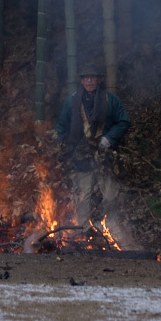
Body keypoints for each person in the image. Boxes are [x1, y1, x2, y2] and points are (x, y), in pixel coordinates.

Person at [56, 65, 130, 228]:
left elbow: (123, 121)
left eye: (93, 77)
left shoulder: (111, 100)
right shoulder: (71, 101)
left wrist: (109, 138)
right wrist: (65, 146)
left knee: (110, 194)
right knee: (83, 195)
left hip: (106, 154)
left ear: (99, 80)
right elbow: (62, 127)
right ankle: (81, 230)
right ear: (81, 81)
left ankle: (112, 227)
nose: (89, 81)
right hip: (81, 156)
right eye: (86, 78)